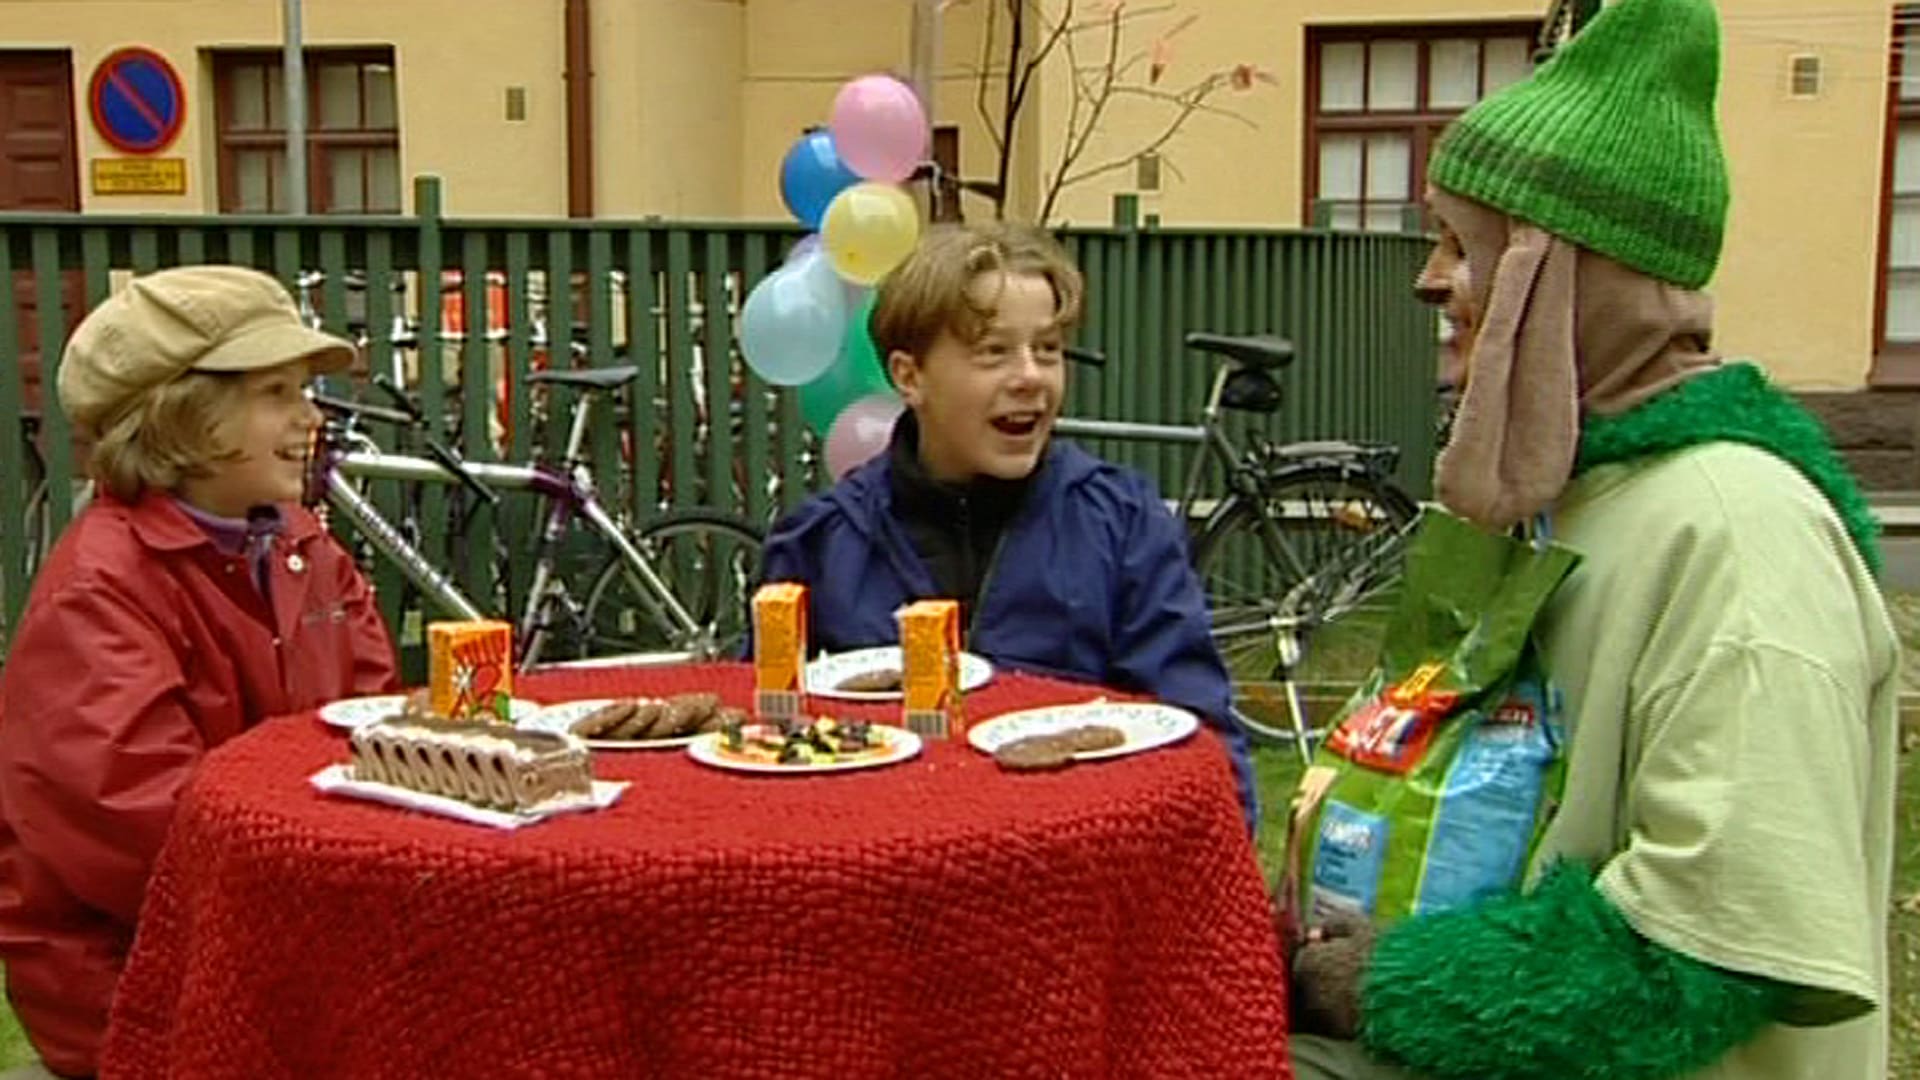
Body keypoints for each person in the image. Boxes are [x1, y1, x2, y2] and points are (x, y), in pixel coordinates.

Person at [1284, 1, 1899, 1077]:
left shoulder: (1741, 540)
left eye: (1463, 247)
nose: (1429, 280)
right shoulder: (1567, 496)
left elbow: (1705, 954)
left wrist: (1385, 983)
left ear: (1567, 278)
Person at [0, 266, 399, 1078]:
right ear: (181, 417)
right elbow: (145, 830)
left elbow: (374, 722)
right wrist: (352, 880)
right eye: (276, 392)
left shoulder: (302, 546)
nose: (311, 415)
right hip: (143, 977)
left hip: (284, 923)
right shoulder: (100, 589)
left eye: (304, 389)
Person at [758, 222, 1257, 826]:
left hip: (1081, 859)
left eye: (1047, 349)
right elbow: (762, 743)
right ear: (910, 377)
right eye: (993, 351)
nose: (1030, 376)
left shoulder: (1123, 524)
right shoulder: (821, 543)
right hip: (880, 860)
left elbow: (1202, 740)